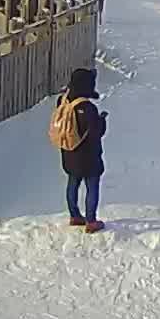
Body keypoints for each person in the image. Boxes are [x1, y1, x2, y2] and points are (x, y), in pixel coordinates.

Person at [52, 67, 107, 233]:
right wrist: (102, 120)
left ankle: (75, 215)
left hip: (69, 152)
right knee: (92, 186)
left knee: (72, 182)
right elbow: (97, 132)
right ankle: (91, 221)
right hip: (88, 156)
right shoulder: (88, 108)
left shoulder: (62, 101)